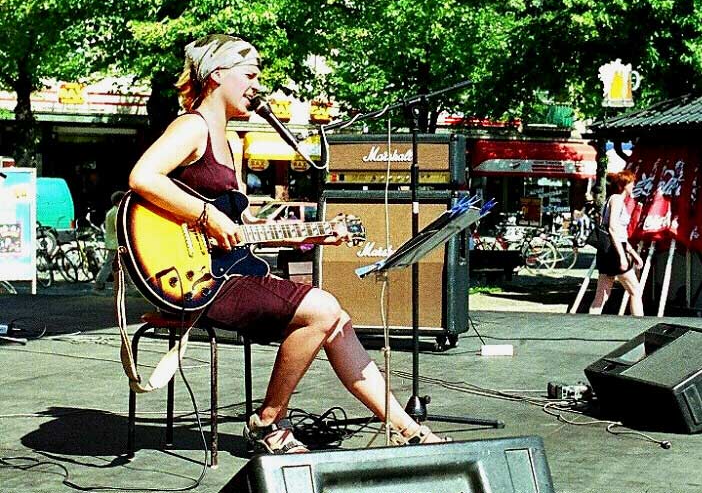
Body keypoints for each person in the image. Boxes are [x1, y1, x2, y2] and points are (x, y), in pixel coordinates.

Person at [127, 34, 445, 454]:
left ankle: (407, 429)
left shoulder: (231, 141)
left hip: (231, 271)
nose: (256, 85)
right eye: (250, 75)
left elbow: (240, 226)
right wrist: (207, 216)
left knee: (337, 320)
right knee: (323, 308)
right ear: (217, 75)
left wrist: (307, 233)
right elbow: (142, 177)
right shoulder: (192, 126)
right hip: (199, 279)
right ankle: (268, 422)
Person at [589, 170, 644, 316]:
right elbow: (613, 228)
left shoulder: (611, 199)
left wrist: (633, 254)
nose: (633, 186)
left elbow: (618, 232)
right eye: (632, 183)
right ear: (625, 184)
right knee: (635, 291)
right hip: (615, 251)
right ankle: (640, 325)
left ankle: (589, 325)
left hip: (606, 251)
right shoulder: (618, 200)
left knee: (602, 294)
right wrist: (622, 256)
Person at [93, 190, 124, 294]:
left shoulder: (111, 211)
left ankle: (132, 287)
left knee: (124, 265)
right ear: (118, 201)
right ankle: (98, 285)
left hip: (113, 243)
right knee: (110, 265)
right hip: (115, 243)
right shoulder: (116, 212)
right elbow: (119, 228)